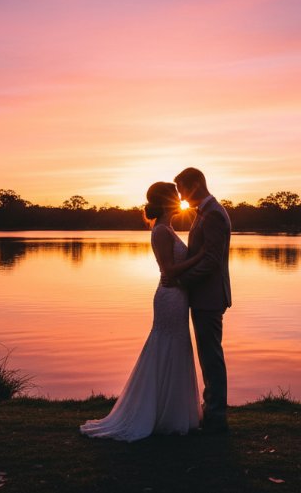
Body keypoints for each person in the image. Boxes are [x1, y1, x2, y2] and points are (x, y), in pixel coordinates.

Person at [79, 182, 203, 442]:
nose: (181, 199)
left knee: (177, 348)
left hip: (178, 296)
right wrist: (200, 257)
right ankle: (159, 414)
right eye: (177, 196)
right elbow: (168, 270)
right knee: (166, 346)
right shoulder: (160, 231)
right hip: (169, 297)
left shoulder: (167, 228)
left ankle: (174, 412)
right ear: (168, 201)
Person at [170, 167, 232, 433]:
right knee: (208, 355)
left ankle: (216, 416)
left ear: (196, 184)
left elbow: (211, 260)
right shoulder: (205, 213)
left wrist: (181, 281)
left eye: (183, 188)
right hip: (202, 295)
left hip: (208, 296)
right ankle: (211, 411)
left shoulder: (214, 215)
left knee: (211, 356)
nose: (181, 195)